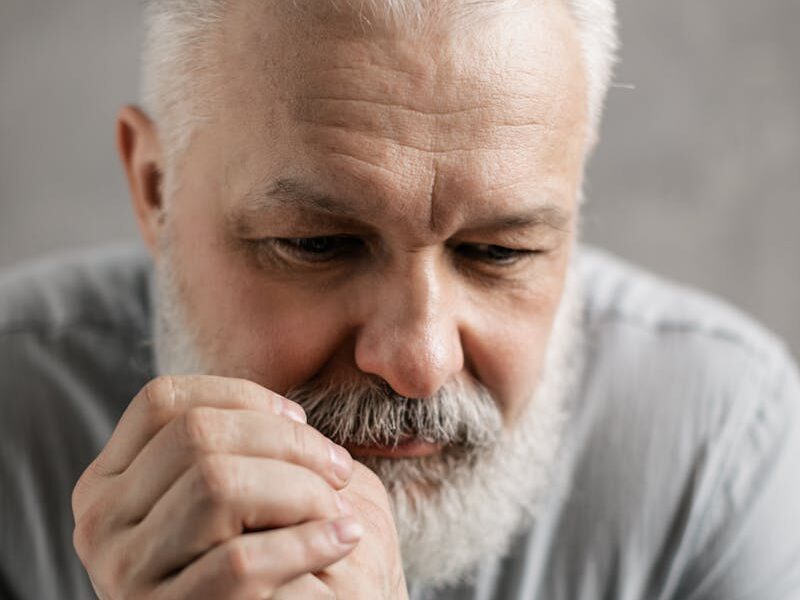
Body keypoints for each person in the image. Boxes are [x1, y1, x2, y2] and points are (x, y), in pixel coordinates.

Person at [1, 0, 799, 598]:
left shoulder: (717, 448)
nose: (420, 361)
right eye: (316, 243)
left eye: (500, 252)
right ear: (156, 190)